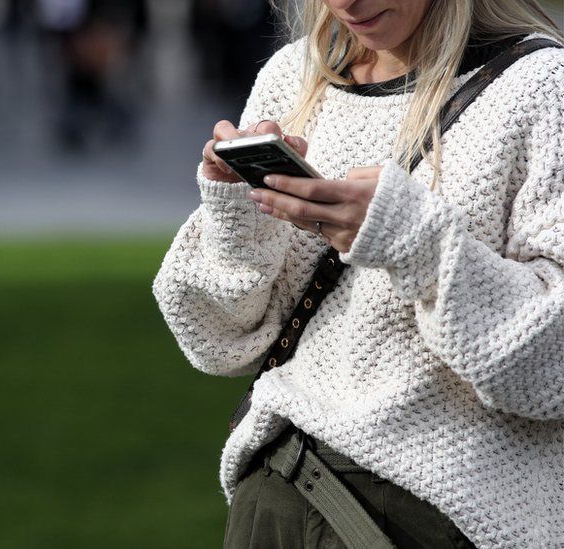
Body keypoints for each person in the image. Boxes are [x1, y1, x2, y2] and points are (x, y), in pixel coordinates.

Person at [152, 0, 564, 547]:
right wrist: (235, 214)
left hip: (440, 516)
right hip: (277, 494)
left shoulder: (540, 88)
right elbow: (217, 341)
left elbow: (551, 368)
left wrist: (411, 240)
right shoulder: (296, 76)